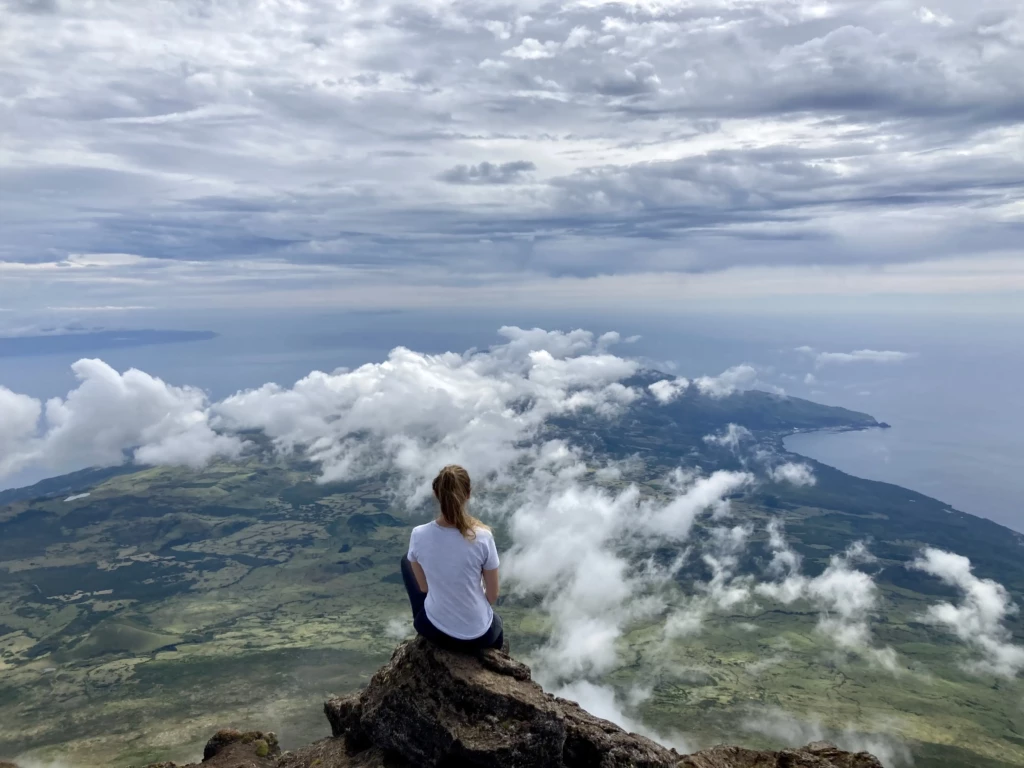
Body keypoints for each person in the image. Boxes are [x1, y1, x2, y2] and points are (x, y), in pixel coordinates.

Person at [400, 464, 505, 652]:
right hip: (479, 636)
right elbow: (492, 596)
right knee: (497, 622)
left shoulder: (418, 534)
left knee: (406, 561)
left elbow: (423, 588)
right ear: (468, 494)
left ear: (435, 493)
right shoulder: (483, 537)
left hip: (436, 631)